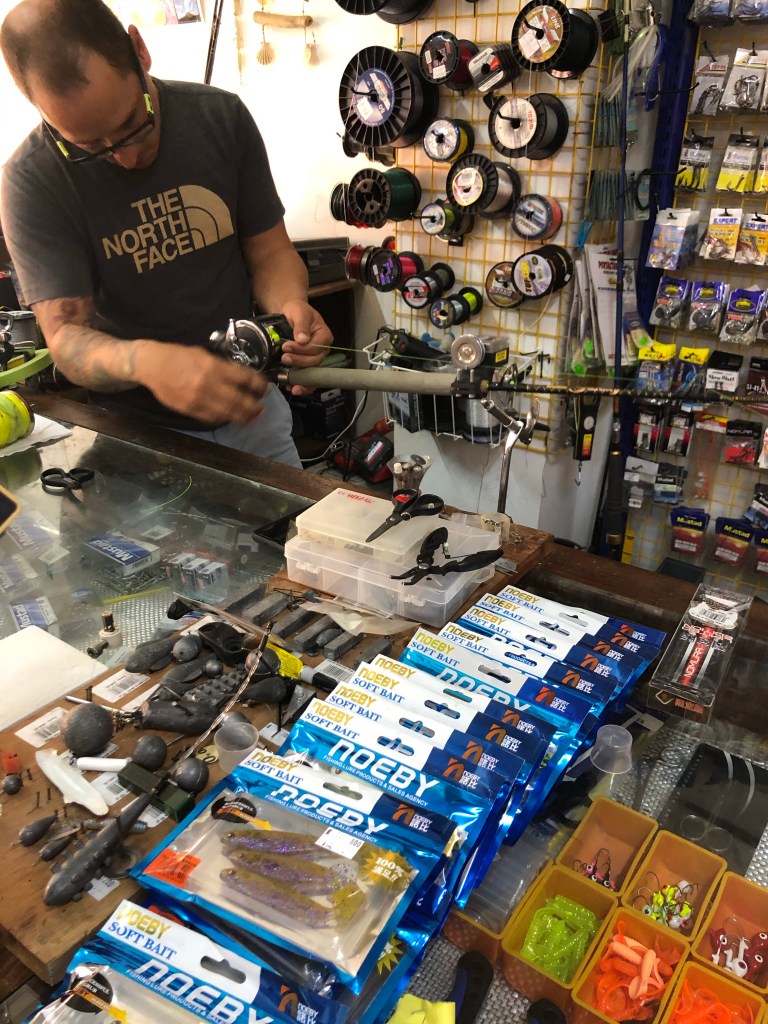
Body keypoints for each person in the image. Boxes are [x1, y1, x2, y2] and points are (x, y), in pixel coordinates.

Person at [0, 0, 332, 467]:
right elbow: (66, 338)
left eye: (132, 125)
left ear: (138, 50)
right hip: (137, 438)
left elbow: (270, 253)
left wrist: (291, 306)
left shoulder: (221, 117)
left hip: (253, 412)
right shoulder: (32, 181)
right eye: (89, 147)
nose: (124, 157)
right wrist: (149, 363)